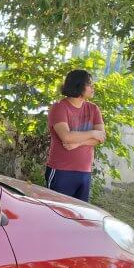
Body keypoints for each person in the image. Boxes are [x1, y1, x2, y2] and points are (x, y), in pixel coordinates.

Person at [46, 69, 105, 202]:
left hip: (85, 171)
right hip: (61, 171)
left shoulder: (93, 109)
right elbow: (66, 137)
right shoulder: (59, 107)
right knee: (57, 213)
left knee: (79, 215)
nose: (93, 87)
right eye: (89, 84)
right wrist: (92, 133)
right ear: (78, 85)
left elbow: (101, 138)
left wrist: (79, 142)